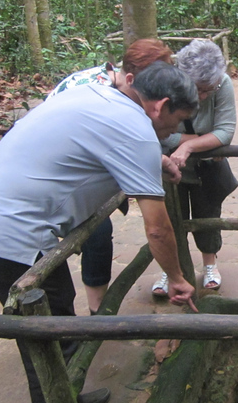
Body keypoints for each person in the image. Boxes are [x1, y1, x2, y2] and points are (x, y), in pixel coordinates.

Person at [0, 62, 200, 403]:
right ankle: (56, 396)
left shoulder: (95, 93)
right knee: (48, 333)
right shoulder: (137, 129)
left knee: (57, 314)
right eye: (174, 122)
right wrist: (175, 277)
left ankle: (66, 394)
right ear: (159, 106)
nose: (172, 131)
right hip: (8, 231)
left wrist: (156, 160)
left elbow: (97, 142)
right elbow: (157, 228)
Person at [48, 38, 174, 314]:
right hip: (63, 176)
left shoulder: (121, 88)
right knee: (95, 230)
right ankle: (95, 311)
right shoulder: (95, 92)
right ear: (131, 77)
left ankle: (98, 308)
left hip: (90, 167)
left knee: (99, 232)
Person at [151, 40, 237, 295]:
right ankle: (171, 270)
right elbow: (159, 134)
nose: (202, 96)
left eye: (207, 90)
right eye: (198, 89)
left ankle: (210, 264)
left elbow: (226, 131)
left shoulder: (223, 84)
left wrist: (187, 147)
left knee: (207, 215)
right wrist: (204, 139)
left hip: (206, 167)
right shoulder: (165, 83)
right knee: (169, 218)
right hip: (168, 166)